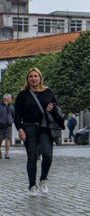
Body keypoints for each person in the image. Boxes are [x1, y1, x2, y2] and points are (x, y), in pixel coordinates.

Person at [13, 67, 64, 196]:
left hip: (45, 128)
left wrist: (52, 109)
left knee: (47, 155)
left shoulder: (48, 92)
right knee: (32, 157)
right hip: (29, 127)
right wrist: (20, 129)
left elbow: (58, 109)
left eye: (36, 76)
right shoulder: (22, 94)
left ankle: (43, 180)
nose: (33, 78)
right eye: (31, 76)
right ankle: (32, 186)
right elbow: (17, 114)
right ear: (27, 79)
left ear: (40, 78)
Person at [0, 94, 14, 158]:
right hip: (1, 125)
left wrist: (11, 120)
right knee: (0, 139)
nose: (11, 99)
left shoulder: (11, 107)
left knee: (8, 138)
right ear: (6, 99)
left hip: (8, 125)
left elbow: (13, 115)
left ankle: (7, 153)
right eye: (10, 98)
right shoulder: (0, 106)